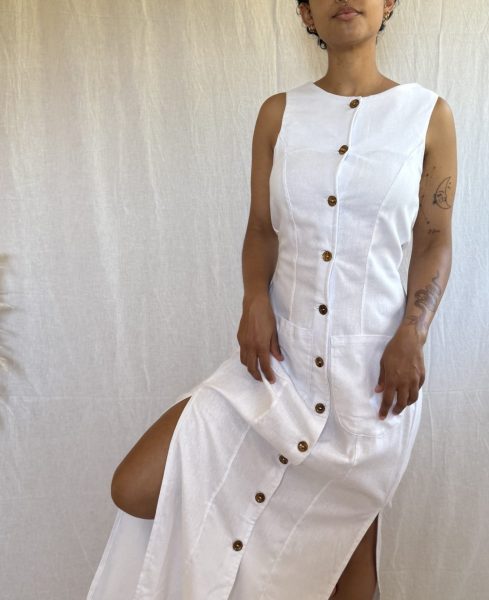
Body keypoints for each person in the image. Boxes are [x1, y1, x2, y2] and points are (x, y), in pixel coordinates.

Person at [87, 0, 457, 598]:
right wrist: (253, 299)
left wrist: (414, 331)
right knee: (137, 485)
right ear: (306, 14)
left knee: (346, 562)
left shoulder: (427, 115)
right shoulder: (278, 114)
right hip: (278, 366)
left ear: (389, 2)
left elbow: (434, 239)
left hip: (372, 381)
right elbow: (262, 228)